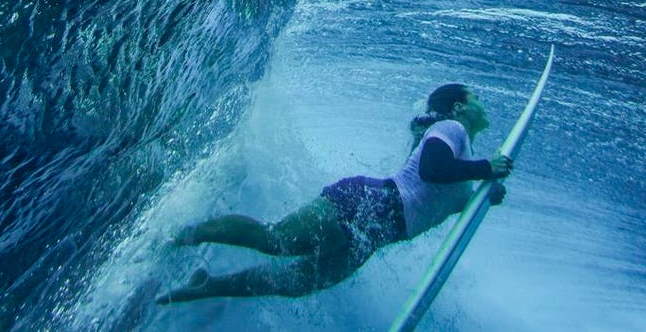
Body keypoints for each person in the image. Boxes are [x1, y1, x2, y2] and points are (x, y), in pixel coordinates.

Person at [156, 83, 512, 304]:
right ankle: (187, 233)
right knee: (275, 239)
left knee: (290, 283)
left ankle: (205, 286)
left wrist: (483, 195)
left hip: (374, 236)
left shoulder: (463, 159)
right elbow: (431, 170)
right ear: (459, 107)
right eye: (476, 97)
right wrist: (486, 168)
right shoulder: (450, 128)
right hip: (363, 204)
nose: (482, 103)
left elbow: (445, 193)